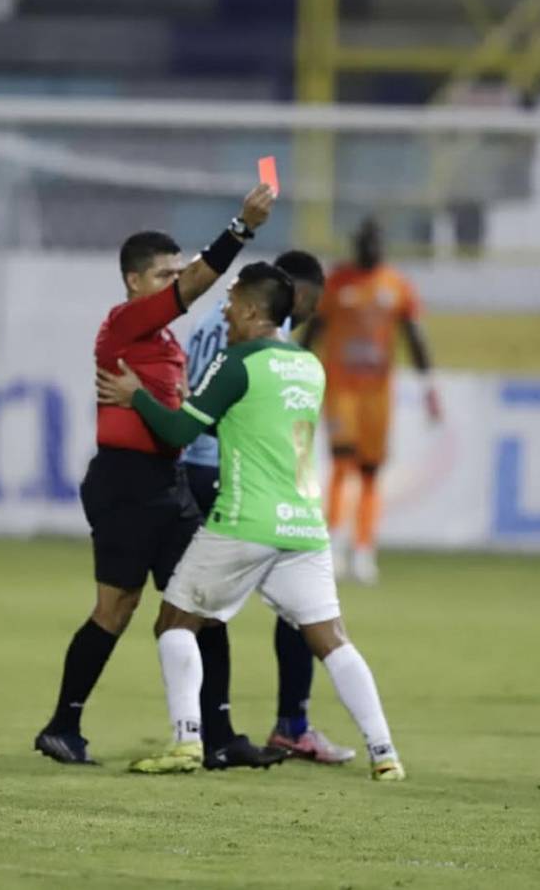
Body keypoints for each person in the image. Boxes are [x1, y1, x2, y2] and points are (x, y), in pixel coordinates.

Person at [97, 263, 405, 780]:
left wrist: (137, 395)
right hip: (304, 526)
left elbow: (176, 430)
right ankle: (385, 752)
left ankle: (186, 742)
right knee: (331, 638)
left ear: (252, 311)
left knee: (174, 622)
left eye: (231, 301)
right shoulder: (310, 364)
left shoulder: (235, 362)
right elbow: (261, 428)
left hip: (245, 521)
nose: (224, 309)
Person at [34, 183, 283, 769]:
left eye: (177, 273)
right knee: (115, 610)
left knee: (202, 602)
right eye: (165, 275)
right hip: (123, 483)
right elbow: (197, 284)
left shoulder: (162, 340)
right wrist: (241, 229)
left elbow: (176, 410)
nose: (177, 283)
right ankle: (62, 724)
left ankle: (218, 736)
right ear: (134, 282)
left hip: (166, 485)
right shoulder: (124, 324)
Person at [181, 250, 354, 765]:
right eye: (309, 304)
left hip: (206, 470)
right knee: (300, 608)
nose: (308, 315)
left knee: (203, 610)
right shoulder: (253, 342)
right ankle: (279, 727)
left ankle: (210, 730)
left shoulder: (220, 322)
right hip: (237, 477)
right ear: (292, 294)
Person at [312, 217, 441, 584]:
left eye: (376, 244)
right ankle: (333, 546)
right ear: (356, 246)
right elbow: (315, 331)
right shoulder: (336, 283)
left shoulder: (396, 285)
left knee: (370, 470)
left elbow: (414, 336)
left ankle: (364, 549)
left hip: (378, 393)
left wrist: (429, 384)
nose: (371, 250)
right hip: (341, 388)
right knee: (341, 462)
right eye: (365, 244)